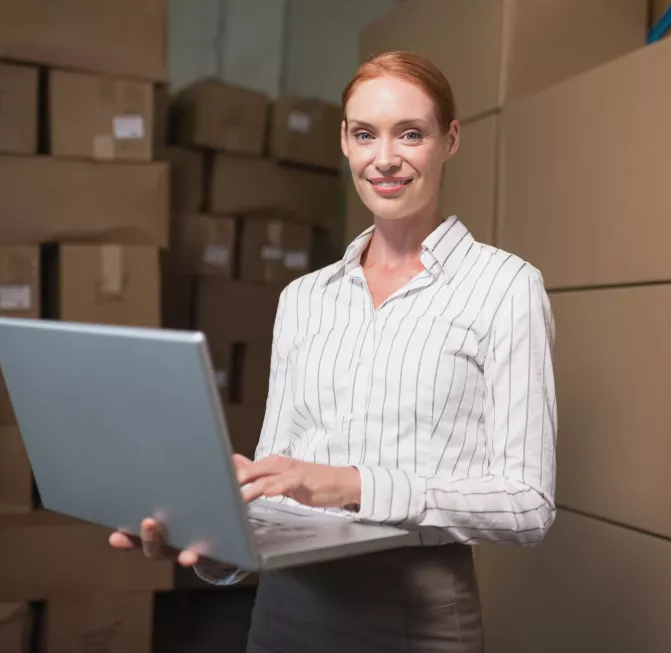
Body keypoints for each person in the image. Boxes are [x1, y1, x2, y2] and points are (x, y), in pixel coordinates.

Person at [109, 50, 557, 652]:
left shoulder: (505, 288)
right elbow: (277, 481)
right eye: (365, 134)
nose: (386, 159)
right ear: (345, 142)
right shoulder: (304, 298)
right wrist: (209, 540)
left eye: (411, 134)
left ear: (450, 140)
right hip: (281, 616)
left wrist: (351, 484)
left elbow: (526, 506)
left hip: (414, 621)